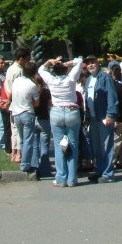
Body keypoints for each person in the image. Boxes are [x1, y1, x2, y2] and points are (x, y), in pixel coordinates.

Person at [38, 55, 84, 188]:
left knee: (59, 145)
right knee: (73, 144)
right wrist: (65, 63)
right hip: (71, 110)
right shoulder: (71, 79)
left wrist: (50, 61)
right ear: (65, 70)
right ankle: (72, 179)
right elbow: (79, 61)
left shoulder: (51, 80)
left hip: (56, 111)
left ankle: (61, 178)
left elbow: (41, 69)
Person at [84, 55, 119, 183]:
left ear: (97, 64)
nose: (90, 65)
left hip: (103, 117)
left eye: (92, 62)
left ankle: (108, 173)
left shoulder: (105, 78)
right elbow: (88, 99)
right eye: (88, 63)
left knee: (106, 146)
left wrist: (111, 115)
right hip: (93, 118)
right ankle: (100, 170)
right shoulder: (88, 80)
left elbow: (112, 97)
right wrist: (87, 116)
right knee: (97, 147)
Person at [10, 61, 40, 174]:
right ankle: (26, 164)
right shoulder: (32, 85)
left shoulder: (16, 81)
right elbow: (37, 103)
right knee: (28, 140)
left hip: (16, 113)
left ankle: (23, 159)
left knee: (22, 139)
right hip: (27, 112)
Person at [5, 47, 31, 163]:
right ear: (21, 59)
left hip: (12, 103)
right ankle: (19, 154)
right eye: (27, 59)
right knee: (20, 132)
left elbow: (7, 86)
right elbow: (19, 88)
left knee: (14, 130)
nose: (28, 62)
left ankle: (13, 153)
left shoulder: (10, 69)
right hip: (18, 103)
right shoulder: (19, 71)